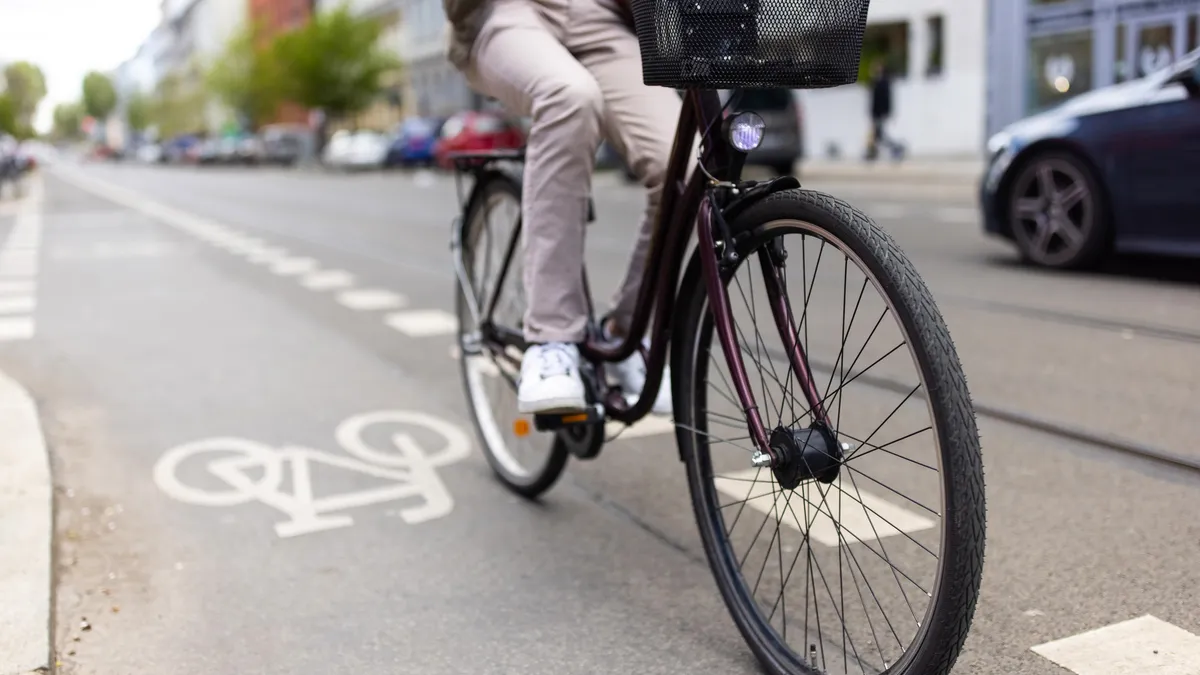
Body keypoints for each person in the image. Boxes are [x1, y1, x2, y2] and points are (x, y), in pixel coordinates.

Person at [443, 0, 680, 415]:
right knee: (568, 95)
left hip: (604, 13)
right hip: (508, 10)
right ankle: (551, 339)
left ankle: (624, 333)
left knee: (684, 163)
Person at [866, 61, 904, 161]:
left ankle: (895, 148)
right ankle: (873, 152)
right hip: (875, 112)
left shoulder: (885, 82)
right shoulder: (875, 81)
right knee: (877, 135)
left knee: (879, 135)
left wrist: (886, 112)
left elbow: (886, 99)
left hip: (881, 112)